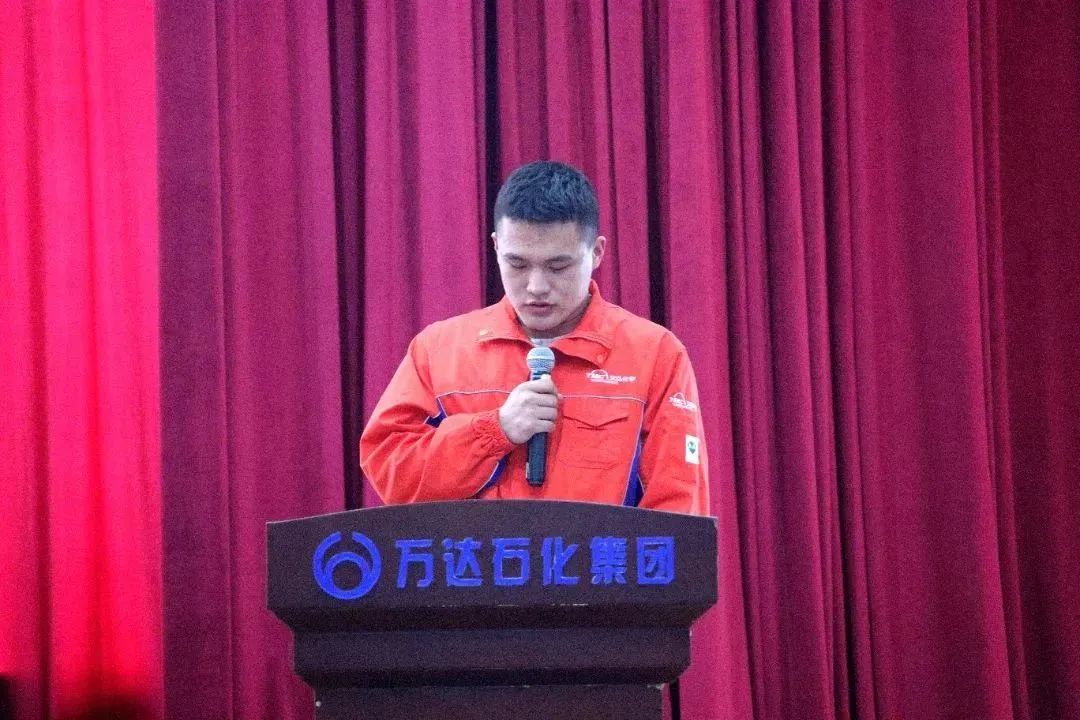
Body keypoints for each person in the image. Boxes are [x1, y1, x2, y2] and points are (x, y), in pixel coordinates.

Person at [359, 161, 709, 515]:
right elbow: (390, 470)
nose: (536, 287)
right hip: (473, 553)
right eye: (518, 264)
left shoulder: (655, 354)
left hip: (598, 554)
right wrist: (495, 431)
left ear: (597, 252)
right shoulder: (438, 350)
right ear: (496, 247)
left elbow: (677, 511)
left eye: (558, 267)